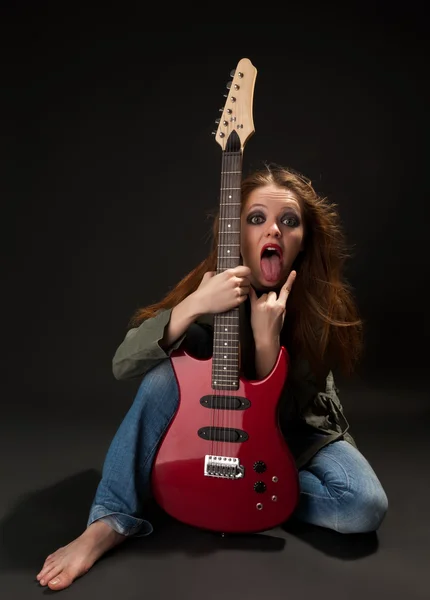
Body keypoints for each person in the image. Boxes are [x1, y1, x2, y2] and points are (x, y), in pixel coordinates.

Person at [36, 163, 388, 590]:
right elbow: (122, 364)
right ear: (235, 233)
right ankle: (108, 522)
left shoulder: (319, 307)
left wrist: (265, 345)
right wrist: (194, 306)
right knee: (164, 378)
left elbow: (287, 410)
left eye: (288, 221)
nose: (272, 231)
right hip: (218, 432)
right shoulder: (210, 290)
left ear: (303, 240)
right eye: (256, 219)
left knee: (363, 506)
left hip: (299, 437)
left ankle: (233, 496)